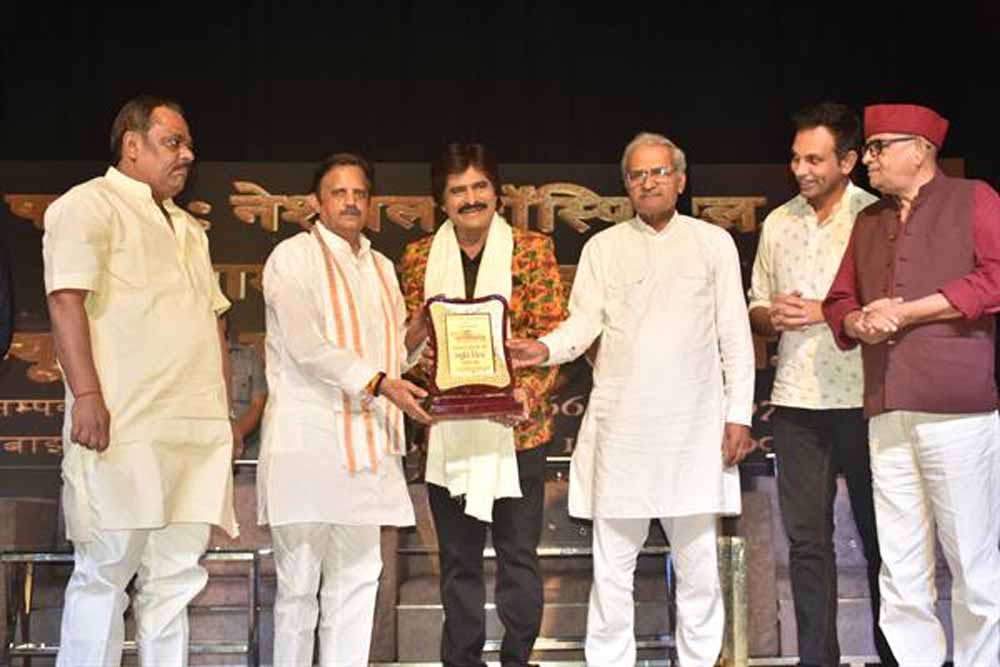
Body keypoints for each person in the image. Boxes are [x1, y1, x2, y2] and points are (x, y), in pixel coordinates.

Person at [508, 132, 755, 666]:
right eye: (638, 175)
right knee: (612, 572)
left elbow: (736, 337)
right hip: (623, 432)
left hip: (693, 430)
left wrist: (738, 416)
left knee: (698, 571)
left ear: (680, 180)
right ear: (626, 185)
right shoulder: (603, 248)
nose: (649, 183)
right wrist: (543, 349)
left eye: (659, 172)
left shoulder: (713, 243)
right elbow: (581, 326)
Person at [42, 94, 239, 667]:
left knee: (175, 580)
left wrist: (222, 417)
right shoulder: (87, 205)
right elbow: (65, 300)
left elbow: (213, 324)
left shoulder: (190, 228)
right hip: (122, 428)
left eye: (188, 144)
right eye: (173, 142)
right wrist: (86, 395)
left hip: (192, 434)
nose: (188, 154)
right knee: (104, 575)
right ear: (132, 145)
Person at [823, 103, 1000, 667]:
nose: (868, 160)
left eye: (880, 147)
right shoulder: (869, 220)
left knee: (972, 560)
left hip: (957, 409)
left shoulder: (974, 198)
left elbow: (996, 277)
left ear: (921, 149)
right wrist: (858, 321)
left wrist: (908, 311)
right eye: (869, 149)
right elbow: (839, 299)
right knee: (899, 562)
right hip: (887, 407)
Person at [398, 142, 566, 667]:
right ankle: (462, 660)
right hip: (447, 431)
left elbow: (552, 338)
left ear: (497, 192)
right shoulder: (418, 258)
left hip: (517, 430)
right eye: (458, 190)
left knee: (518, 559)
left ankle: (518, 658)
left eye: (480, 186)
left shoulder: (532, 250)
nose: (471, 199)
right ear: (441, 201)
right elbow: (406, 348)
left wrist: (523, 395)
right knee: (457, 562)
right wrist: (421, 358)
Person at [259, 152, 431, 666]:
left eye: (359, 193)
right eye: (339, 192)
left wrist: (420, 332)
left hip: (368, 450)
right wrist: (379, 382)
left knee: (358, 584)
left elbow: (393, 353)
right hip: (309, 447)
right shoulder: (292, 257)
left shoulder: (381, 267)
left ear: (370, 203)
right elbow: (305, 346)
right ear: (316, 202)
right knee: (298, 590)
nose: (351, 202)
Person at [747, 102, 893, 667]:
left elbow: (893, 304)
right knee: (808, 544)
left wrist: (825, 311)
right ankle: (817, 659)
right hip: (795, 402)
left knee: (883, 541)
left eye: (815, 159)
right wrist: (772, 316)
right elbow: (756, 303)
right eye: (795, 158)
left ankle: (893, 655)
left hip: (866, 398)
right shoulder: (779, 222)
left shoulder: (876, 217)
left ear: (848, 161)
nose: (801, 170)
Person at [221, 312, 267, 459]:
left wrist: (233, 437)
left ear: (224, 322)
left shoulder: (250, 357)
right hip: (206, 452)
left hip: (245, 457)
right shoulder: (194, 362)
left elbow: (258, 405)